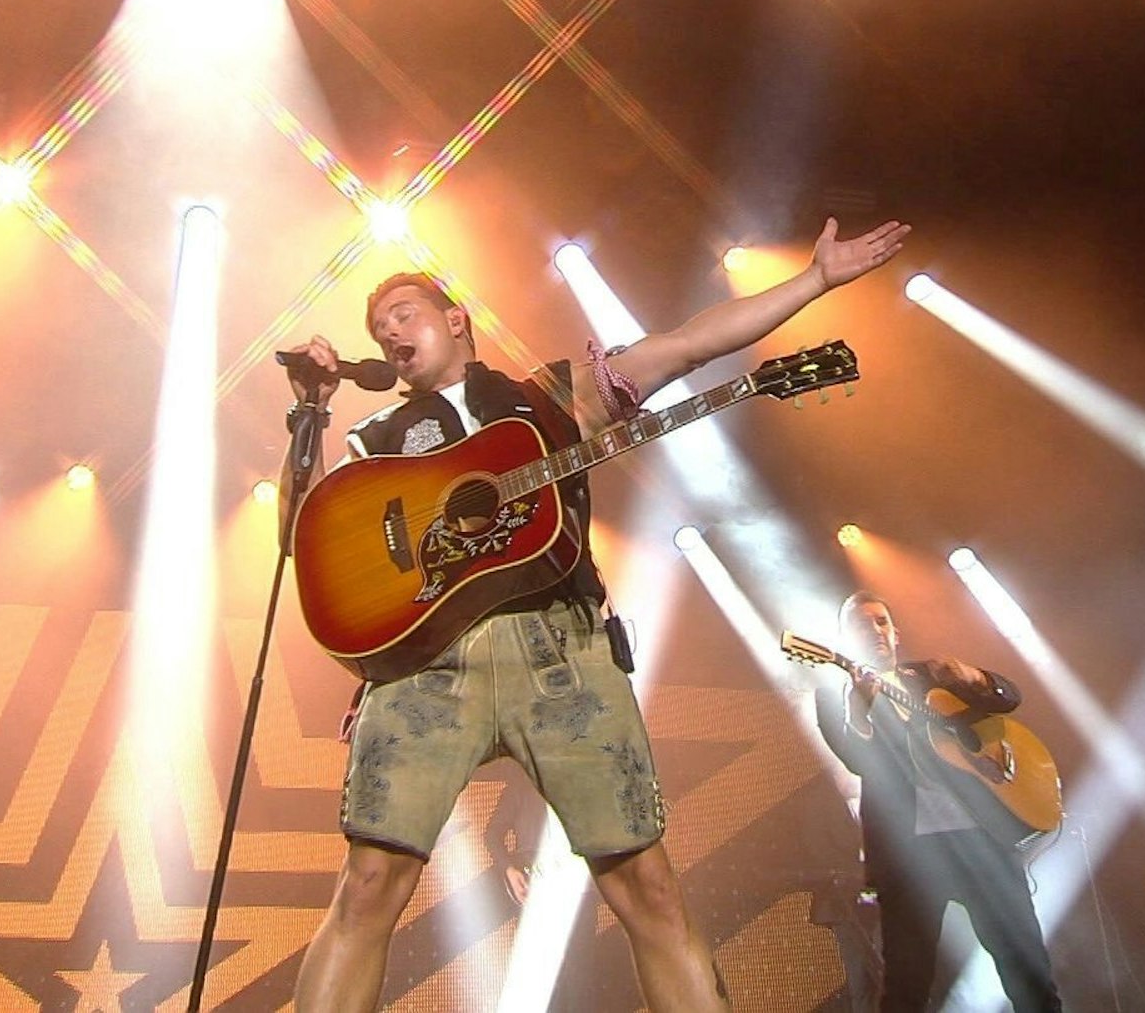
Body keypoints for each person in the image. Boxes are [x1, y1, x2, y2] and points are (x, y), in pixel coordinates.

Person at [280, 217, 911, 1011]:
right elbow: (304, 541)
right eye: (379, 326)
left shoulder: (545, 398)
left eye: (404, 311)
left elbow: (683, 346)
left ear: (454, 319)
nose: (390, 330)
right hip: (424, 666)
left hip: (560, 651)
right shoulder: (374, 437)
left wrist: (812, 281)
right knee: (367, 887)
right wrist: (307, 410)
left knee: (647, 887)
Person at [813, 592, 1061, 1012]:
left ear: (895, 632)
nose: (873, 631)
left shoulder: (931, 676)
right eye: (860, 625)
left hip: (981, 842)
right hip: (911, 857)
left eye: (881, 621)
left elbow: (1009, 698)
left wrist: (974, 679)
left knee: (1031, 979)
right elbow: (857, 761)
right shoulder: (835, 695)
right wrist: (859, 711)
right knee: (907, 989)